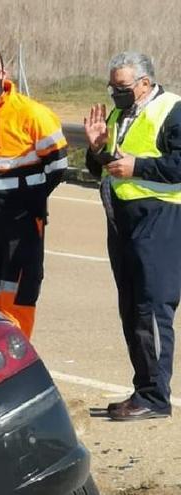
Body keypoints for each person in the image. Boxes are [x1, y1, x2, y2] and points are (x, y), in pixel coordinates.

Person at [83, 51, 181, 421]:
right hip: (122, 221)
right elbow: (105, 167)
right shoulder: (120, 113)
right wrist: (96, 148)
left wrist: (138, 165)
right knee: (132, 308)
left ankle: (156, 397)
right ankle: (144, 389)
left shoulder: (171, 110)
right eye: (112, 86)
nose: (115, 93)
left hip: (159, 218)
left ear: (144, 83)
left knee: (152, 307)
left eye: (121, 87)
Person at [0, 44, 68, 339]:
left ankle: (19, 351)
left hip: (22, 216)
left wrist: (31, 199)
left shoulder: (32, 113)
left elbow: (58, 165)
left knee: (21, 289)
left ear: (5, 72)